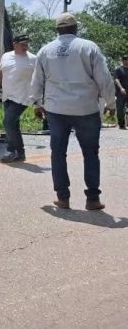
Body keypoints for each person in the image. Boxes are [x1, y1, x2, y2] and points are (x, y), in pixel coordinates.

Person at [29, 12, 116, 210]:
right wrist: (110, 103)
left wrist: (36, 104)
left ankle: (63, 198)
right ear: (76, 28)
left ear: (57, 30)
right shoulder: (88, 47)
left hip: (56, 109)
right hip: (86, 108)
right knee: (90, 153)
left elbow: (37, 81)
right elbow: (104, 78)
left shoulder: (45, 50)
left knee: (58, 153)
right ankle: (92, 199)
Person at [0, 33, 36, 162]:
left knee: (8, 122)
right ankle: (21, 153)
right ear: (15, 44)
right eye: (22, 44)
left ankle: (12, 150)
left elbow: (41, 78)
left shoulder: (33, 59)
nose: (25, 47)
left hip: (23, 97)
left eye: (26, 44)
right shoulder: (6, 56)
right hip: (7, 96)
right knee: (13, 124)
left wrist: (39, 101)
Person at [115, 54, 128, 130]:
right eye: (125, 59)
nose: (127, 60)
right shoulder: (118, 69)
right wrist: (121, 88)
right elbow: (116, 79)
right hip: (121, 92)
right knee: (120, 109)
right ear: (123, 60)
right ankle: (121, 124)